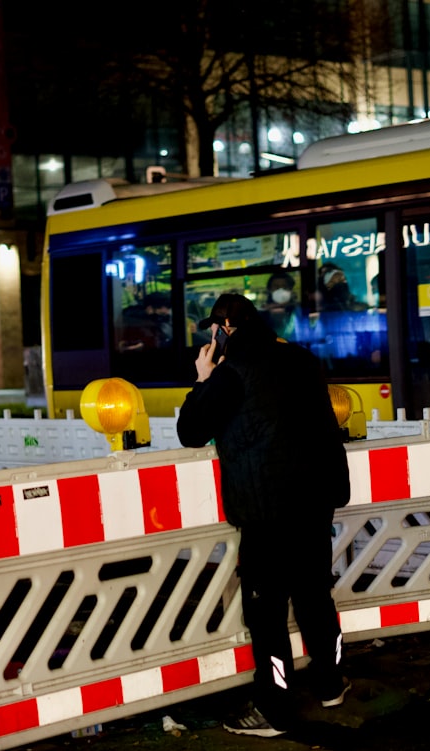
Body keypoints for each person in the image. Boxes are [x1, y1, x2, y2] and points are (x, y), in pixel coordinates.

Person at [176, 293, 352, 737]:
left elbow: (191, 432)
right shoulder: (302, 359)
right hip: (314, 503)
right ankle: (331, 684)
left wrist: (202, 378)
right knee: (315, 596)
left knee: (266, 611)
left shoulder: (232, 371)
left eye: (213, 331)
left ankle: (273, 708)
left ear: (224, 329)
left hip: (264, 511)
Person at [261, 270, 299, 340]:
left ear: (290, 289)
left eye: (285, 287)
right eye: (276, 287)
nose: (280, 290)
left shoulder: (298, 311)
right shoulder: (262, 313)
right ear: (269, 290)